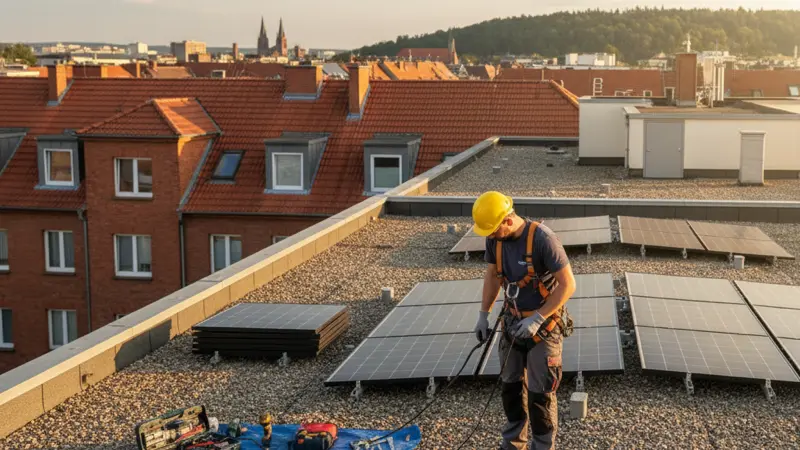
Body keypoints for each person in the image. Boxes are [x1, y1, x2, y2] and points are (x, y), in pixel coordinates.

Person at [472, 191, 576, 450]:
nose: (491, 236)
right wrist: (483, 315)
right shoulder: (494, 240)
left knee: (540, 397)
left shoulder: (543, 240)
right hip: (512, 322)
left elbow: (568, 285)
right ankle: (512, 444)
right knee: (511, 390)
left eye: (494, 230)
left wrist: (539, 318)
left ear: (507, 220)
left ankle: (542, 446)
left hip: (544, 328)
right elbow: (493, 276)